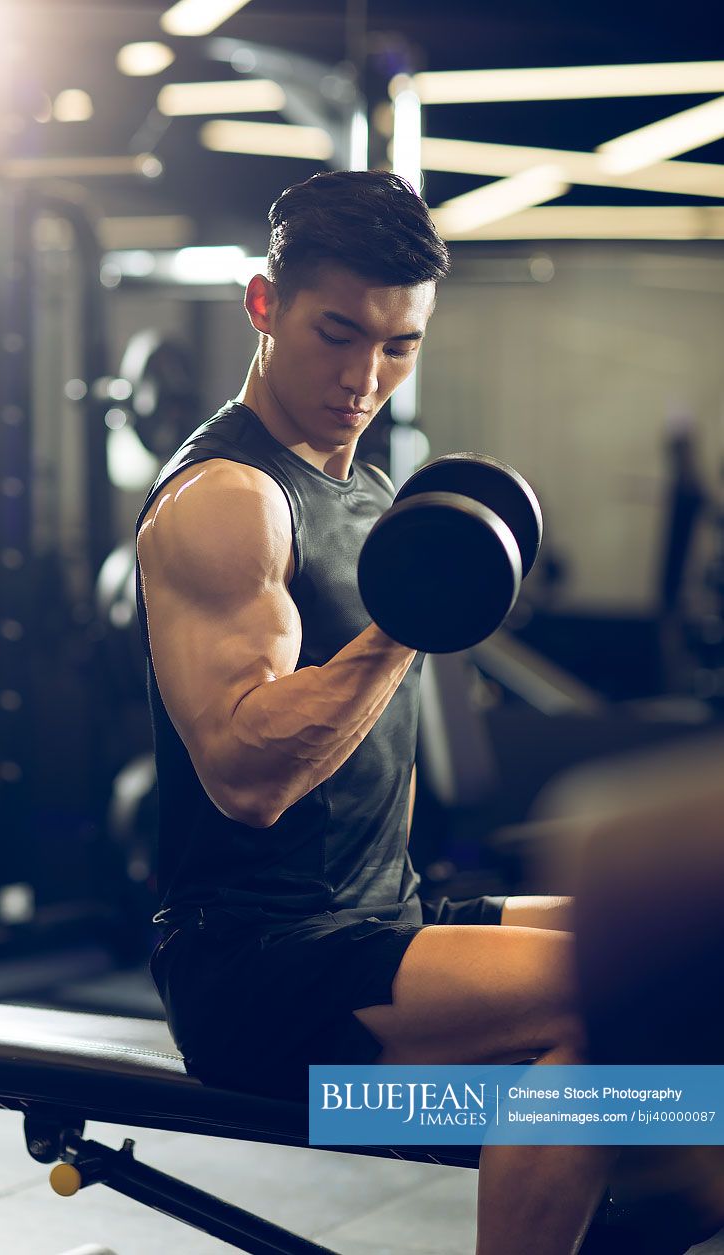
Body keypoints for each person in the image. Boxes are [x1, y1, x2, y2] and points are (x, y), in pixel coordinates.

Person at [136, 170, 611, 1255]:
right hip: (259, 974)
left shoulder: (363, 486)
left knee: (678, 956)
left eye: (399, 346)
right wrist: (410, 620)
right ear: (264, 305)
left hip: (377, 926)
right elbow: (246, 781)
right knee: (609, 1003)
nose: (365, 377)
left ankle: (590, 1183)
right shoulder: (229, 499)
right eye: (337, 334)